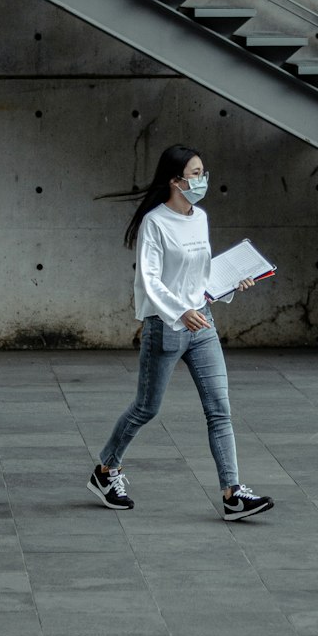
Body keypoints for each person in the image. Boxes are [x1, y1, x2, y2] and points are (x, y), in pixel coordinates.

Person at [87, 144, 274, 521]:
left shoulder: (199, 218)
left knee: (219, 409)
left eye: (203, 172)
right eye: (194, 174)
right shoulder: (154, 223)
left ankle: (232, 494)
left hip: (202, 323)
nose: (201, 180)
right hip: (166, 327)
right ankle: (106, 471)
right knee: (146, 408)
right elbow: (149, 279)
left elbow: (200, 275)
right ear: (174, 181)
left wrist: (229, 284)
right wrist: (180, 311)